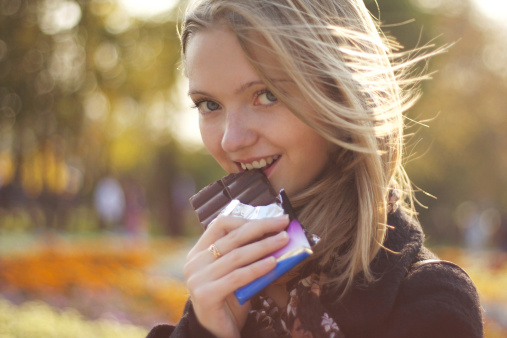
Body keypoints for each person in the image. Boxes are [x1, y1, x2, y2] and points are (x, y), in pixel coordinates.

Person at [147, 0, 484, 337]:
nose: (231, 140)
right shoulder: (218, 297)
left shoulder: (429, 303)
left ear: (341, 93)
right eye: (209, 105)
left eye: (266, 95)